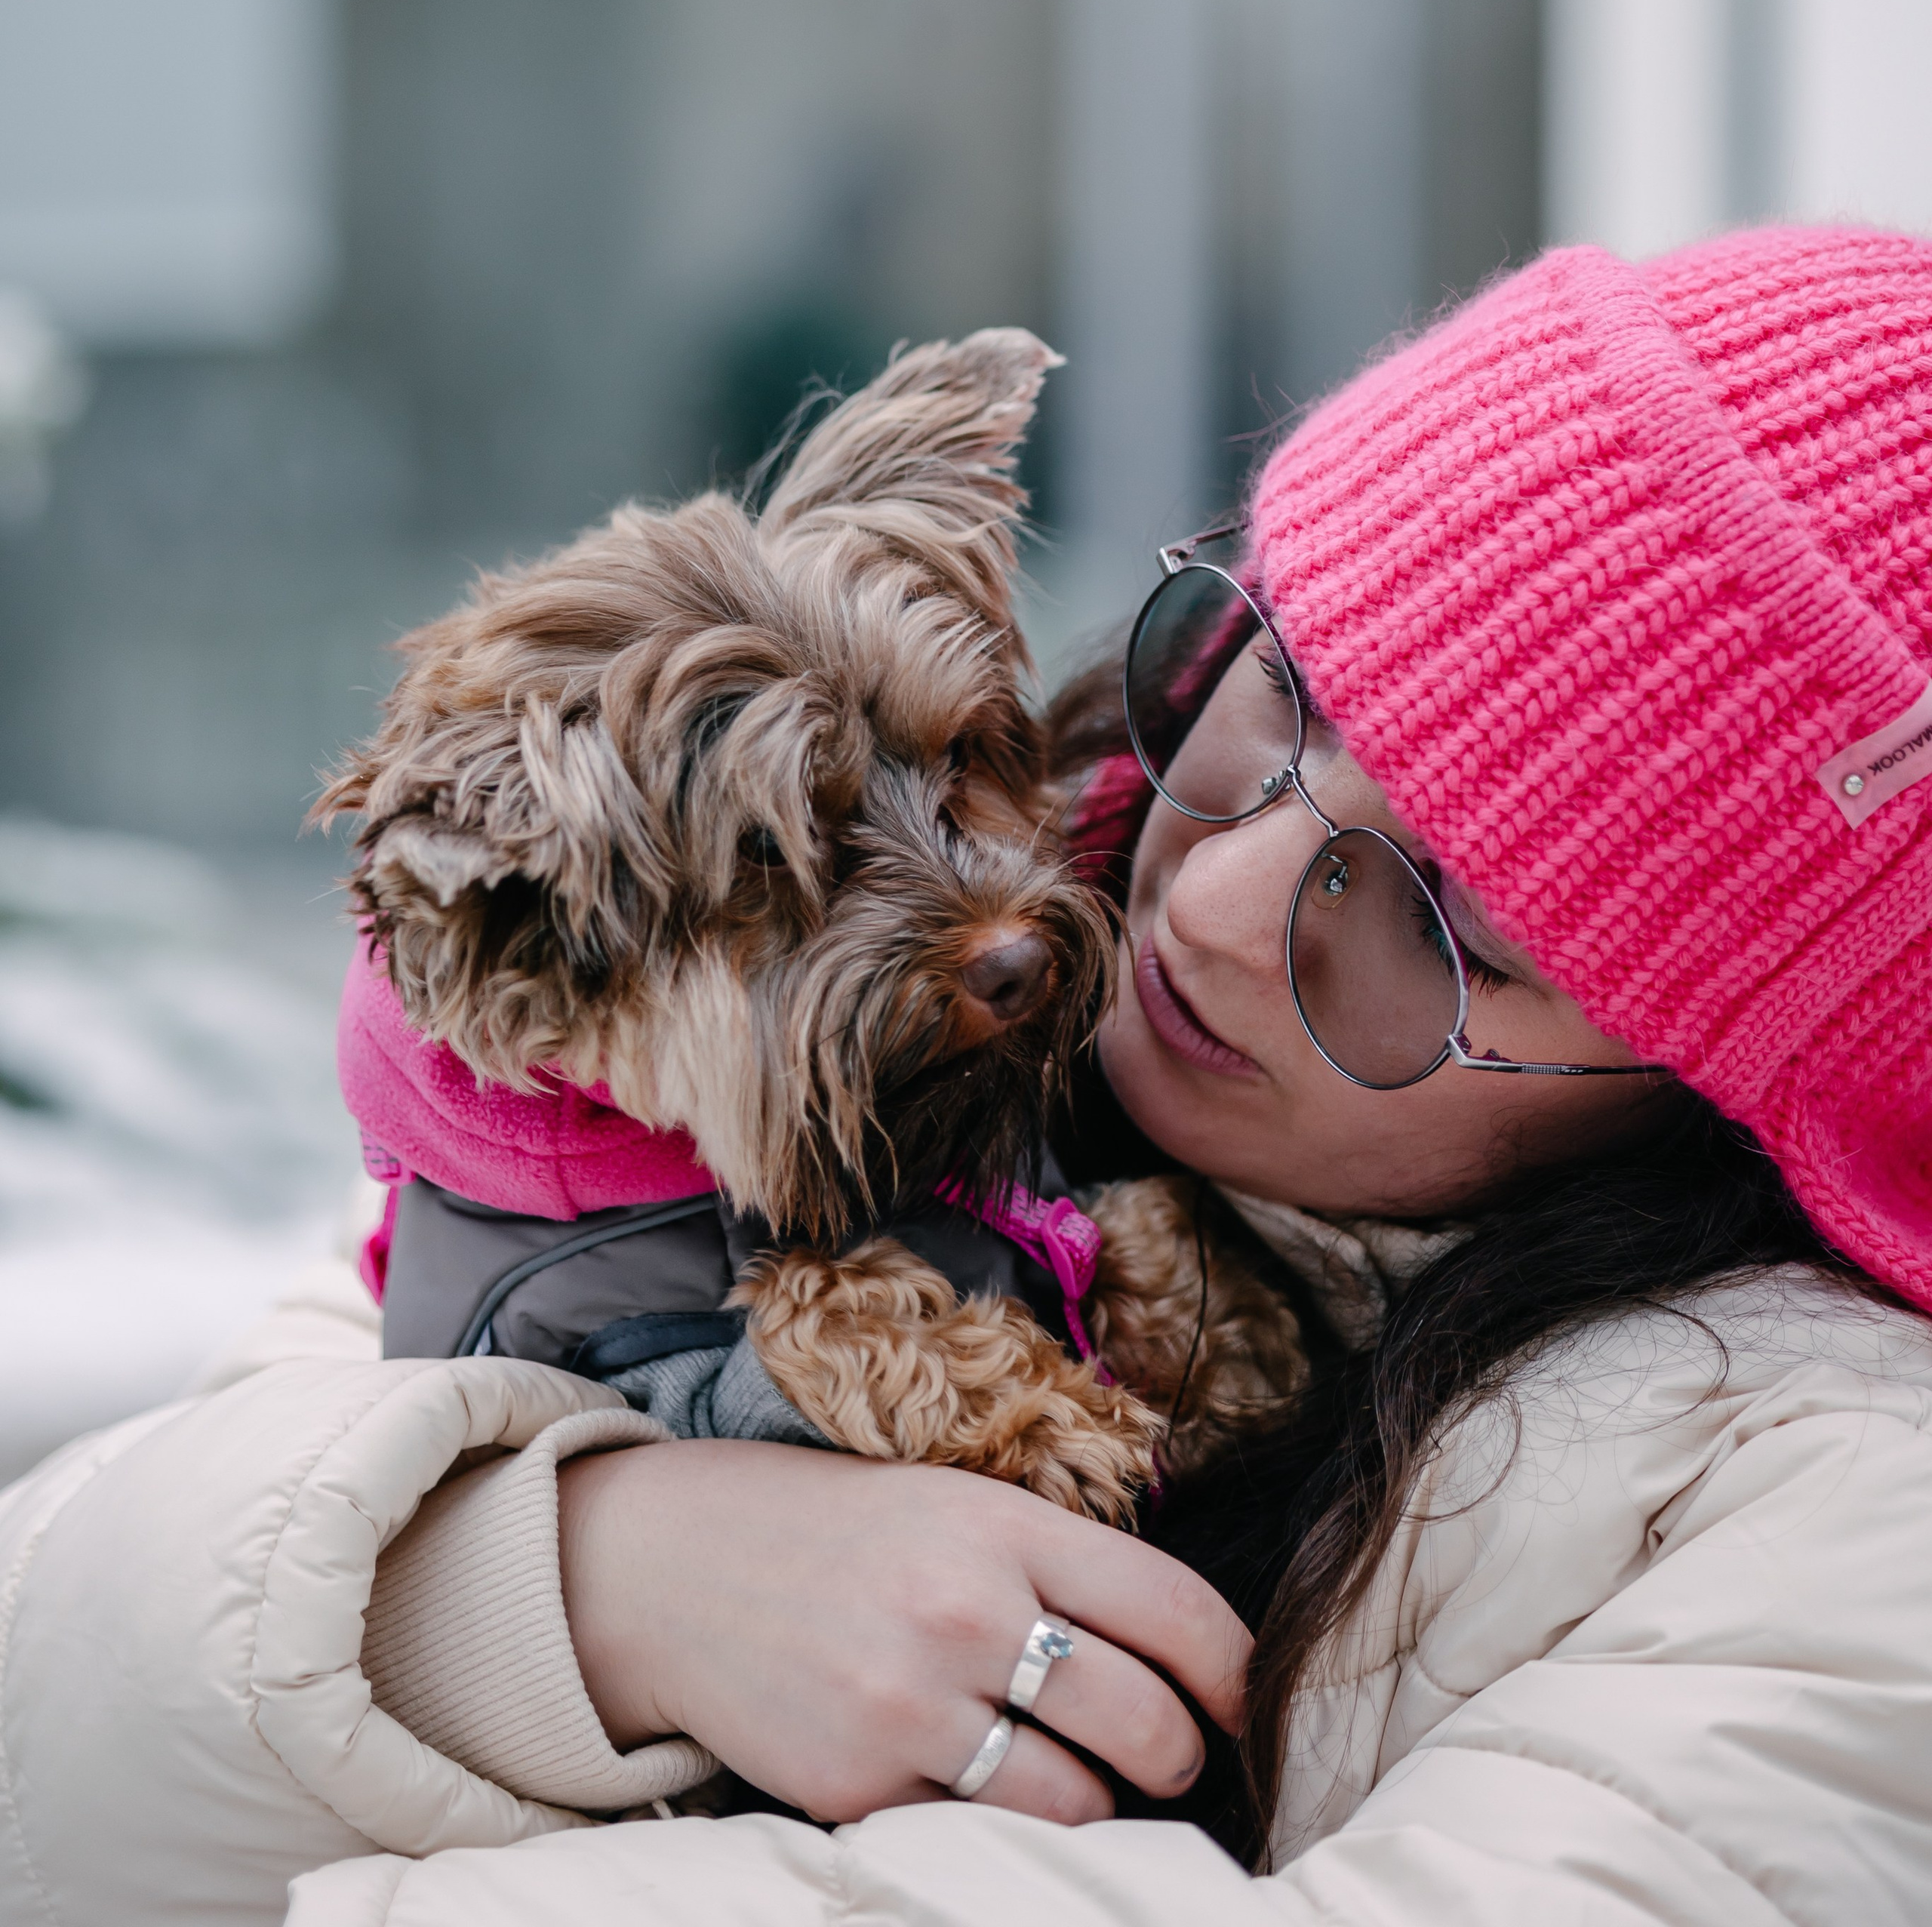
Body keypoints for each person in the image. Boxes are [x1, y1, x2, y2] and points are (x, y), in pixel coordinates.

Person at [5, 224, 1932, 1927]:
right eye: (1279, 684)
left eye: (1451, 921)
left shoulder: (1837, 1517)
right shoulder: (718, 1099)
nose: (1219, 893)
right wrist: (579, 1586)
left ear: (1737, 1094)